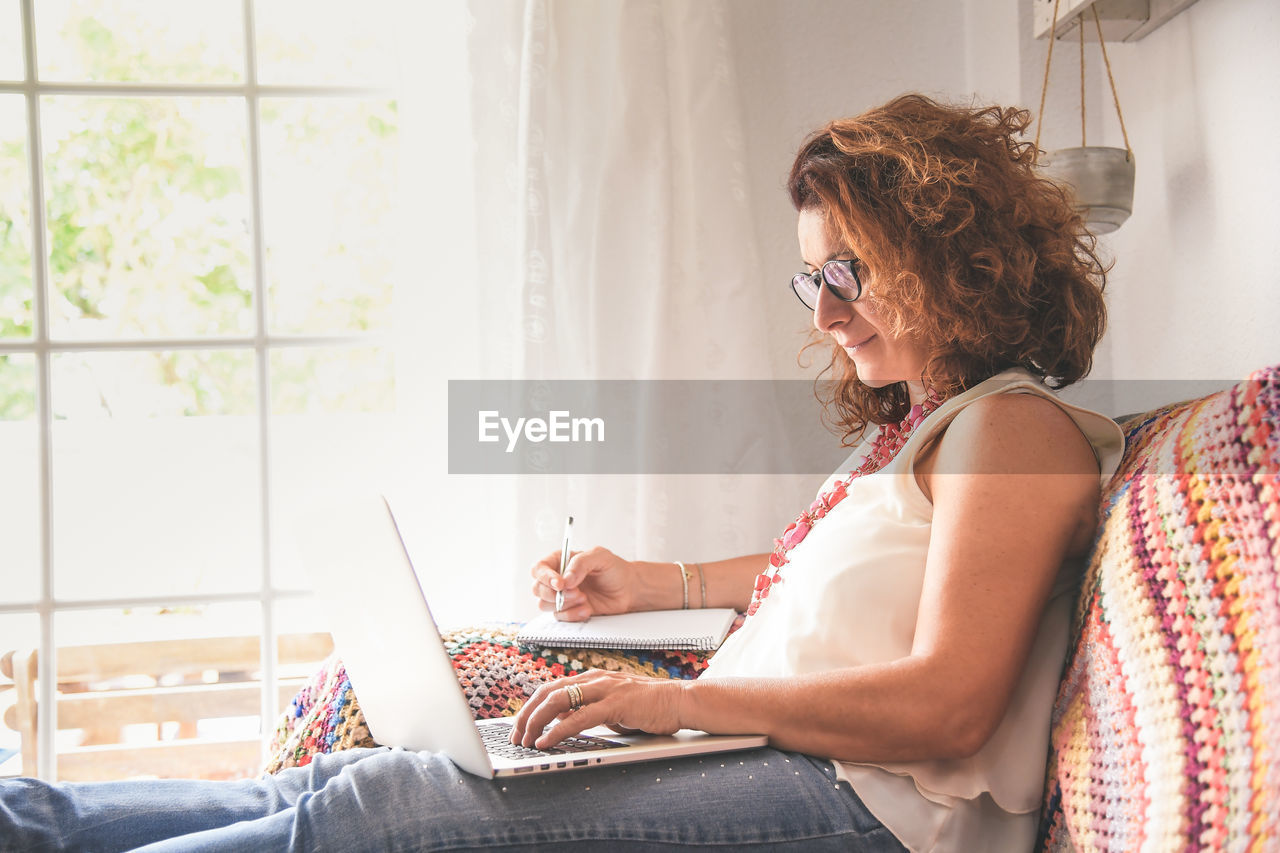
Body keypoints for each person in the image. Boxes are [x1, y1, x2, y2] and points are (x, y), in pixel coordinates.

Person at [0, 93, 1122, 852]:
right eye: (808, 280)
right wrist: (653, 583)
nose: (824, 314)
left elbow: (948, 700)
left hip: (868, 807)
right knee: (339, 791)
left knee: (394, 811)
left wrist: (674, 701)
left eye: (848, 271)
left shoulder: (1015, 432)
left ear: (946, 250)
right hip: (790, 754)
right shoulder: (927, 430)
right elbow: (847, 585)